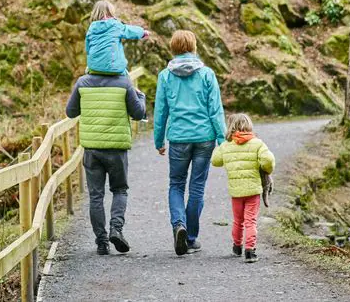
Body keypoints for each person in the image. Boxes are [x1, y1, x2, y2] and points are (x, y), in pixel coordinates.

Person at [153, 30, 226, 256]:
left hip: (178, 138)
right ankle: (191, 238)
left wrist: (159, 139)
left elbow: (161, 111)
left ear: (173, 49)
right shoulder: (207, 74)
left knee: (176, 184)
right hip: (205, 138)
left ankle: (179, 225)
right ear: (194, 47)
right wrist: (222, 139)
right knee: (197, 188)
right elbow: (215, 110)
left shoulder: (165, 76)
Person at [65, 66, 147, 255]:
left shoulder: (82, 83)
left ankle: (102, 242)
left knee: (96, 196)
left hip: (92, 149)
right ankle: (116, 229)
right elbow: (137, 113)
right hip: (116, 149)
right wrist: (140, 97)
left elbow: (70, 112)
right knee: (119, 190)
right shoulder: (124, 82)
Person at [211, 113, 276, 263]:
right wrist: (265, 169)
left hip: (236, 192)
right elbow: (268, 160)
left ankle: (237, 246)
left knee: (238, 220)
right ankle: (250, 251)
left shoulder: (226, 145)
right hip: (253, 191)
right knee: (251, 221)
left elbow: (215, 160)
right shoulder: (257, 143)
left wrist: (223, 147)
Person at [84, 0, 149, 76]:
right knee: (127, 76)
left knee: (87, 70)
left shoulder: (91, 29)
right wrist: (143, 32)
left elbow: (87, 49)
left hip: (94, 68)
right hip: (114, 68)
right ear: (111, 13)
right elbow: (129, 31)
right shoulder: (115, 25)